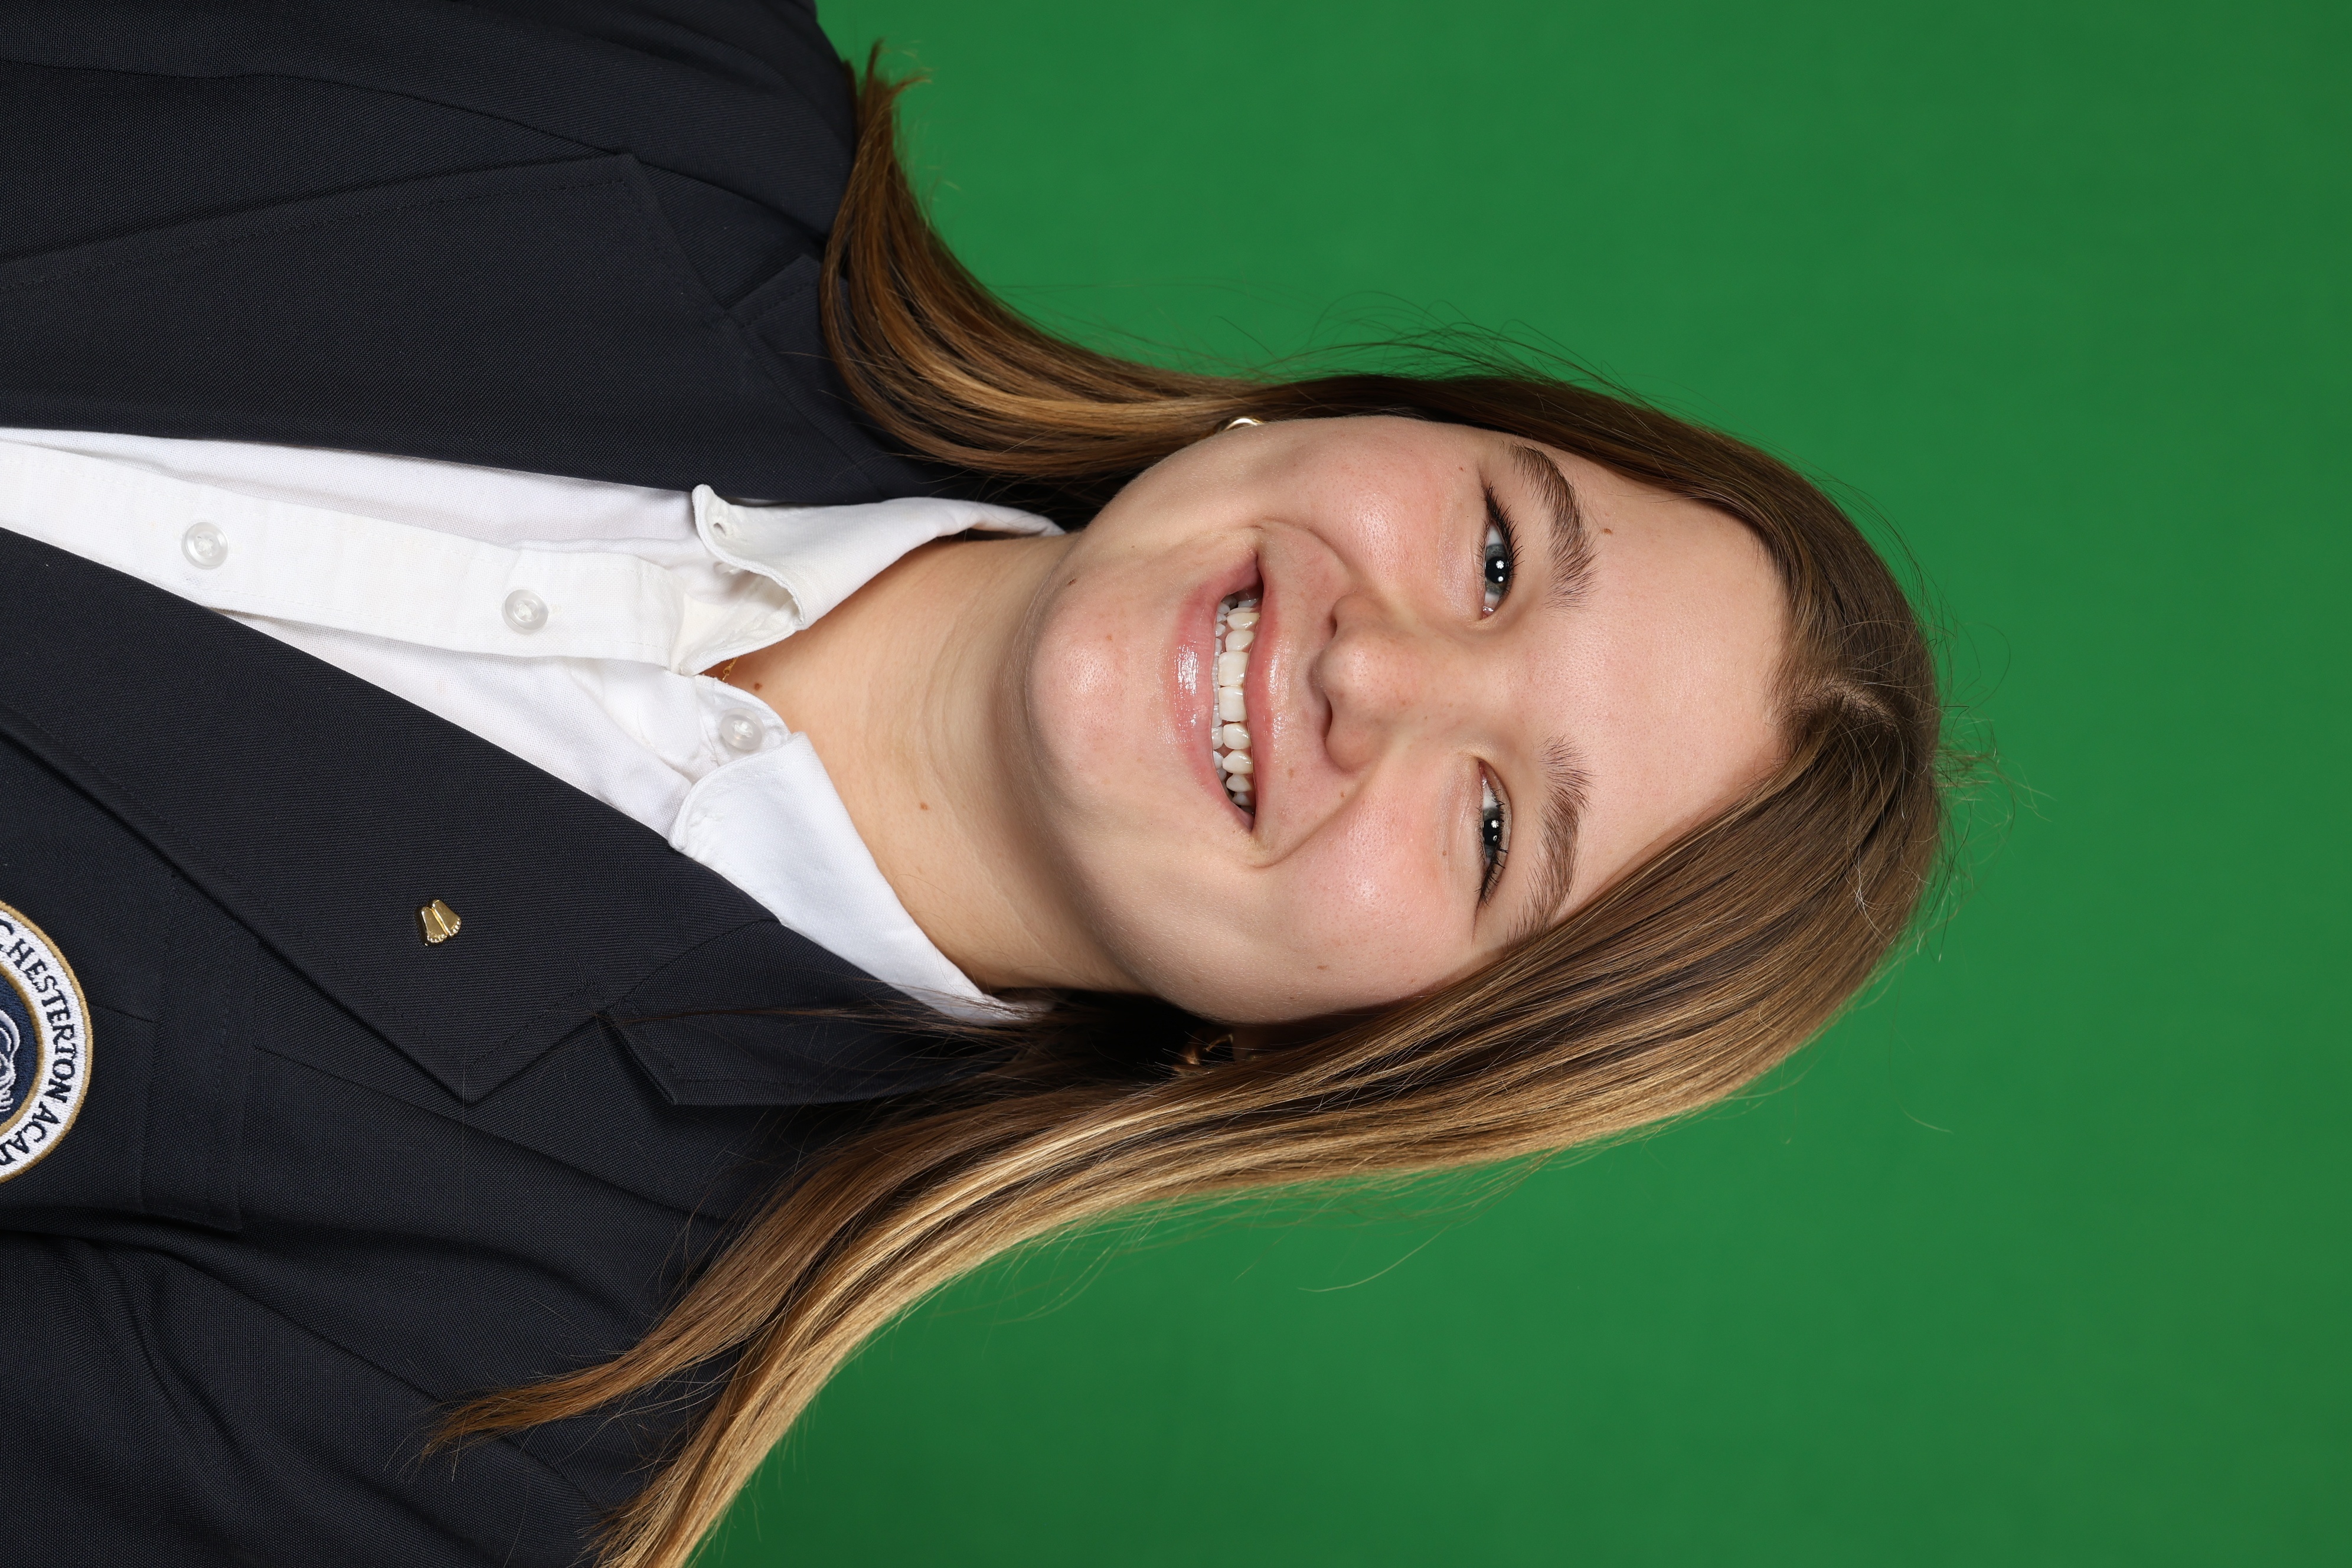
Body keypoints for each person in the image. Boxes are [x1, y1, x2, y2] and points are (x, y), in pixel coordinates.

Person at [0, 4, 1946, 1566]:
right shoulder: (659, 67)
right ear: (1382, 413)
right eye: (1501, 554)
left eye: (1498, 827)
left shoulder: (481, 1424)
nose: (1375, 672)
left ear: (1367, 1051)